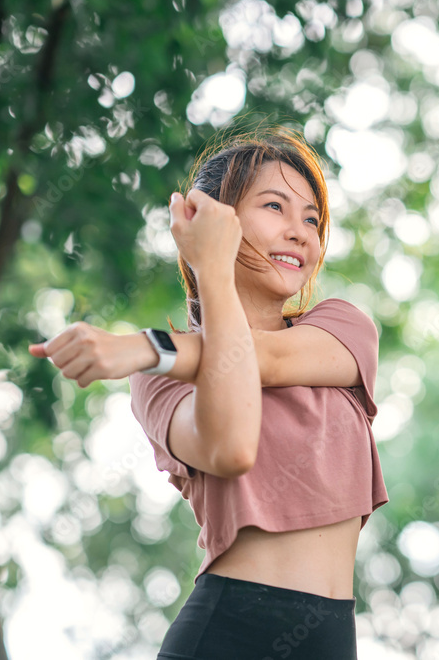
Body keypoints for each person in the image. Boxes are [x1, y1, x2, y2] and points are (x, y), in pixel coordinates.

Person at [28, 126, 388, 659]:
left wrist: (146, 346)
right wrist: (210, 272)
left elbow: (265, 358)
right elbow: (231, 447)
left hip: (332, 639)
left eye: (311, 218)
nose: (300, 232)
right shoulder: (156, 379)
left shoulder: (342, 326)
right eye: (275, 207)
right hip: (226, 632)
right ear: (216, 223)